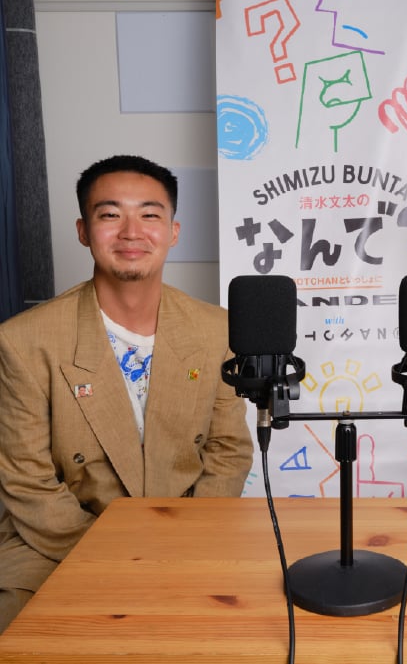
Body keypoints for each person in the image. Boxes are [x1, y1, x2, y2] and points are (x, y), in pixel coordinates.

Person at [0, 155, 253, 632]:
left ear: (173, 232)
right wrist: (123, 557)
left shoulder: (217, 330)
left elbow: (228, 451)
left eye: (150, 215)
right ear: (84, 230)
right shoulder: (24, 341)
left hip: (185, 536)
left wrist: (181, 545)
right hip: (56, 543)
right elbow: (28, 482)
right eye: (111, 214)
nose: (131, 232)